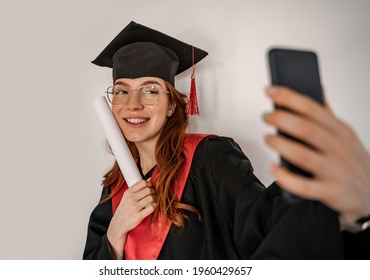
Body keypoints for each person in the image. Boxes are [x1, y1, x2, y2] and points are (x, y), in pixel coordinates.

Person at [83, 21, 370, 260]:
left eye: (150, 90)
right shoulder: (115, 187)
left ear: (172, 105)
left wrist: (327, 189)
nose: (133, 105)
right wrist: (115, 233)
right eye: (122, 91)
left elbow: (264, 224)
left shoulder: (208, 157)